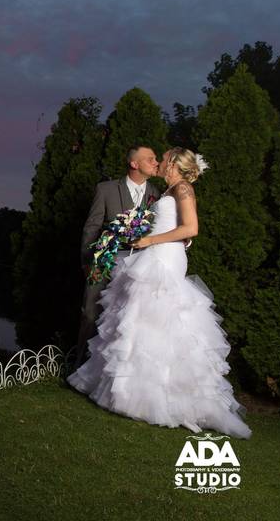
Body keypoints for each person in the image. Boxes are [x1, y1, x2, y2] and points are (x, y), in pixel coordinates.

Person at [67, 147, 252, 439]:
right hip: (155, 253)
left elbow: (191, 228)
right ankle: (135, 394)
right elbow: (180, 228)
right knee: (142, 321)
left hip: (163, 257)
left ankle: (163, 397)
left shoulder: (183, 188)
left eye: (164, 157)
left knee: (160, 318)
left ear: (175, 164)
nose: (160, 161)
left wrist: (153, 239)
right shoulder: (168, 190)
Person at [75, 146, 160, 368]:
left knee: (126, 320)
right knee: (91, 313)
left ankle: (110, 372)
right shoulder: (106, 189)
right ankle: (78, 367)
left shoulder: (157, 194)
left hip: (139, 267)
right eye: (150, 159)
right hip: (105, 260)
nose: (156, 162)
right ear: (134, 164)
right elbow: (91, 227)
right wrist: (87, 262)